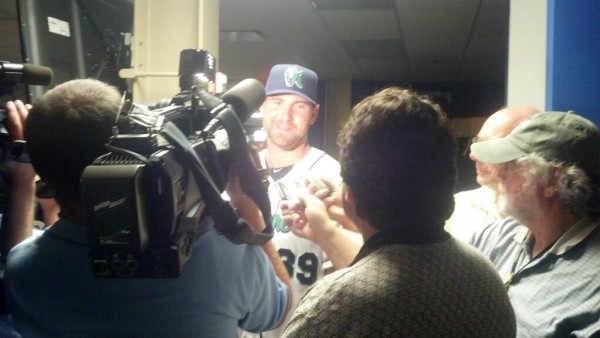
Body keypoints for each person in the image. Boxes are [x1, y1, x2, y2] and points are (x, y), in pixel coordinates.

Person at [2, 79, 291, 337]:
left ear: (44, 174)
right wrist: (246, 204)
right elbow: (278, 311)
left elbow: (63, 240)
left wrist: (22, 177)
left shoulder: (26, 272)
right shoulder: (221, 252)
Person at [282, 87, 516, 337]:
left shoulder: (333, 308)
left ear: (349, 192)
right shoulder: (487, 280)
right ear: (448, 180)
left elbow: (376, 277)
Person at [469, 111, 600, 337]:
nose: (498, 173)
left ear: (552, 181)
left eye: (510, 165)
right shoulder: (498, 235)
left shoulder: (593, 286)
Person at [244, 64, 350, 337]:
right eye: (277, 102)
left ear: (313, 114)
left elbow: (349, 276)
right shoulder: (234, 173)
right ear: (263, 107)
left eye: (299, 106)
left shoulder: (333, 179)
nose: (286, 115)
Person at [446, 106, 539, 242]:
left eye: (491, 145)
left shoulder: (546, 216)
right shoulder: (458, 206)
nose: (474, 155)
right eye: (477, 142)